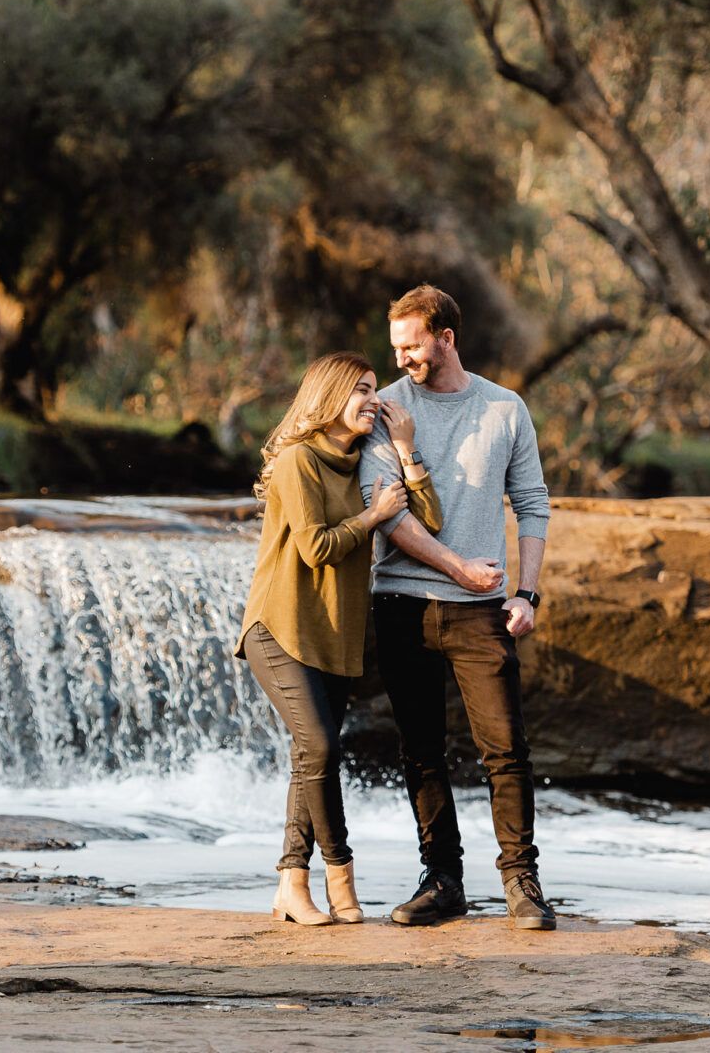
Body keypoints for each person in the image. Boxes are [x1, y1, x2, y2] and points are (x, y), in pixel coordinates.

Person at [357, 284, 557, 931]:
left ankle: (521, 882)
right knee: (420, 750)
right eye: (396, 348)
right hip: (402, 604)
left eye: (412, 346)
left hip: (481, 611)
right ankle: (442, 880)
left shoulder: (505, 409)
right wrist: (460, 569)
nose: (402, 359)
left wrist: (525, 592)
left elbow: (532, 503)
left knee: (505, 748)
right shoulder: (384, 408)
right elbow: (391, 515)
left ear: (446, 337)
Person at [235, 351, 443, 925]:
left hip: (334, 633)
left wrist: (405, 452)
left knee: (310, 756)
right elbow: (315, 548)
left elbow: (427, 523)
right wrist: (373, 518)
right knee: (322, 748)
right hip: (280, 628)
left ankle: (291, 886)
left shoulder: (366, 461)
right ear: (327, 397)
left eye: (375, 388)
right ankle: (340, 876)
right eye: (359, 389)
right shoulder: (298, 461)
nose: (372, 400)